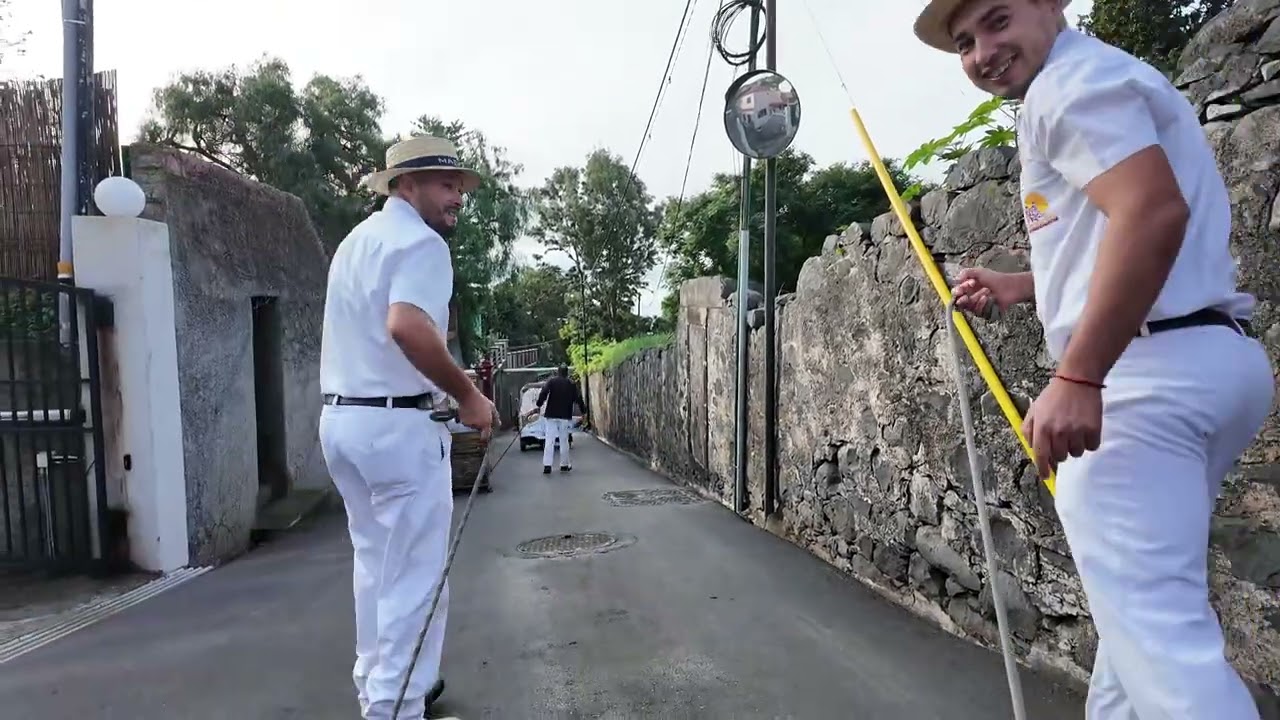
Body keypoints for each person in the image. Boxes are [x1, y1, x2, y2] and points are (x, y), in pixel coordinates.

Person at [914, 1, 1274, 717]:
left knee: (1166, 659)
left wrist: (1080, 375)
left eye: (997, 19)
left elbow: (1150, 213)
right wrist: (1020, 286)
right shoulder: (1110, 76)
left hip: (1142, 385)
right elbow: (1117, 229)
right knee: (1133, 635)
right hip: (1210, 359)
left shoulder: (1060, 89)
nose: (983, 50)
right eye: (964, 42)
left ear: (1051, 4)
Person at [318, 135, 496, 720]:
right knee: (417, 578)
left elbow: (382, 333)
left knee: (375, 565)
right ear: (406, 185)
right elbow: (407, 327)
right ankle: (394, 707)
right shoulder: (421, 244)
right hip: (396, 429)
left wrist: (447, 380)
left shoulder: (357, 241)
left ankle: (381, 687)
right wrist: (469, 395)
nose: (458, 198)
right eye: (446, 185)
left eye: (459, 186)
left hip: (344, 421)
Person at [526, 364, 587, 474]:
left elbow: (544, 393)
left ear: (558, 372)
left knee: (549, 439)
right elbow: (578, 399)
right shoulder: (571, 384)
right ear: (566, 373)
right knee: (564, 440)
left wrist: (539, 404)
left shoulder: (551, 381)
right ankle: (564, 464)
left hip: (551, 415)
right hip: (564, 416)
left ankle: (547, 465)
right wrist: (584, 412)